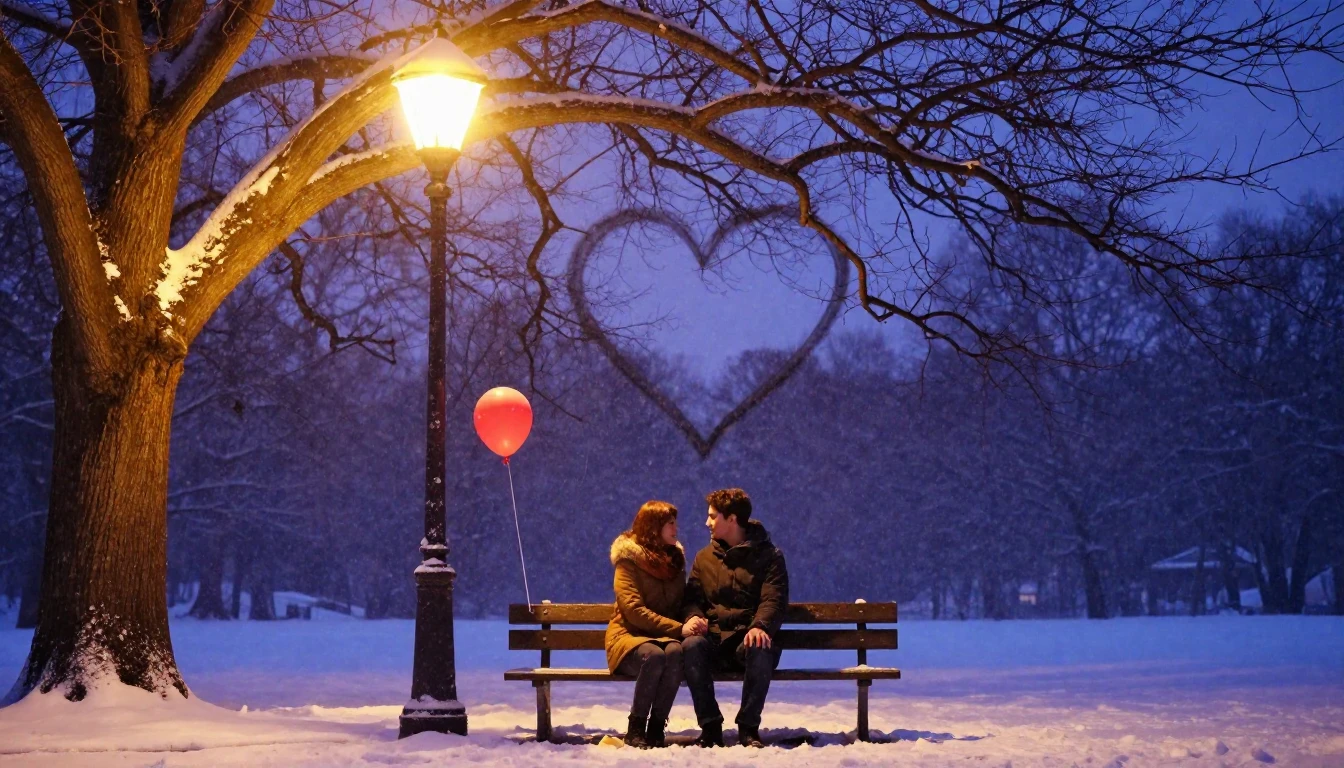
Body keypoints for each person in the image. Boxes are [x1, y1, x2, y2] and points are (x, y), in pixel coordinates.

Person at [681, 488, 789, 748]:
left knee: (760, 646)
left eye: (712, 516)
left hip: (746, 640)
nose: (706, 522)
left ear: (731, 519)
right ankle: (710, 727)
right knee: (692, 646)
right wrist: (694, 617)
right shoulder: (704, 558)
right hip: (716, 641)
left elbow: (773, 598)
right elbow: (692, 599)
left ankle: (748, 728)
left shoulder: (769, 556)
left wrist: (760, 626)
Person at [605, 500, 700, 748]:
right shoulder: (628, 561)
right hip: (628, 638)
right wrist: (678, 628)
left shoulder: (674, 561)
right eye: (670, 524)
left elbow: (682, 602)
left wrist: (691, 618)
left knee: (676, 652)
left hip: (664, 637)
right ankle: (636, 727)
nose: (676, 529)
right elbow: (633, 610)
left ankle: (656, 727)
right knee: (655, 656)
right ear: (653, 527)